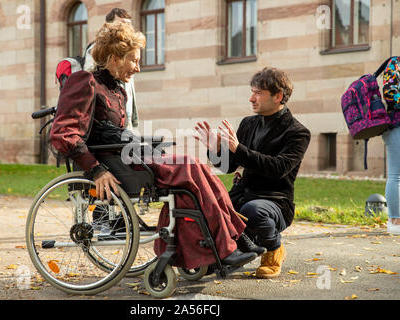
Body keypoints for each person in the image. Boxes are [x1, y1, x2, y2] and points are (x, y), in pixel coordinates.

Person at [49, 21, 256, 269]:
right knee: (189, 167)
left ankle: (231, 239)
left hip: (128, 157)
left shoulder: (116, 90)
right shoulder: (85, 81)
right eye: (133, 60)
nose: (138, 67)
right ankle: (223, 247)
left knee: (198, 167)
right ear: (115, 58)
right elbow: (62, 133)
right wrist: (95, 170)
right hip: (114, 165)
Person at [196, 67, 311, 278]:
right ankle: (222, 254)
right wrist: (215, 149)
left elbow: (278, 168)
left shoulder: (298, 132)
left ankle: (274, 250)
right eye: (252, 91)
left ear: (278, 96)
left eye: (258, 93)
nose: (251, 98)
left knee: (253, 210)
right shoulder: (248, 123)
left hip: (275, 203)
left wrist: (238, 149)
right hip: (242, 197)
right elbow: (229, 166)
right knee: (205, 205)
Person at [84, 8, 138, 130]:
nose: (126, 27)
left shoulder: (129, 51)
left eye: (129, 23)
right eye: (122, 23)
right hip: (108, 116)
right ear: (109, 25)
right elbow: (90, 77)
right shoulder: (97, 48)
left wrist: (132, 118)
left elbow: (129, 88)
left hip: (124, 114)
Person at [382, 56, 400, 235]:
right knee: (396, 175)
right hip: (397, 125)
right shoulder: (395, 63)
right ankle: (395, 220)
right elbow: (389, 91)